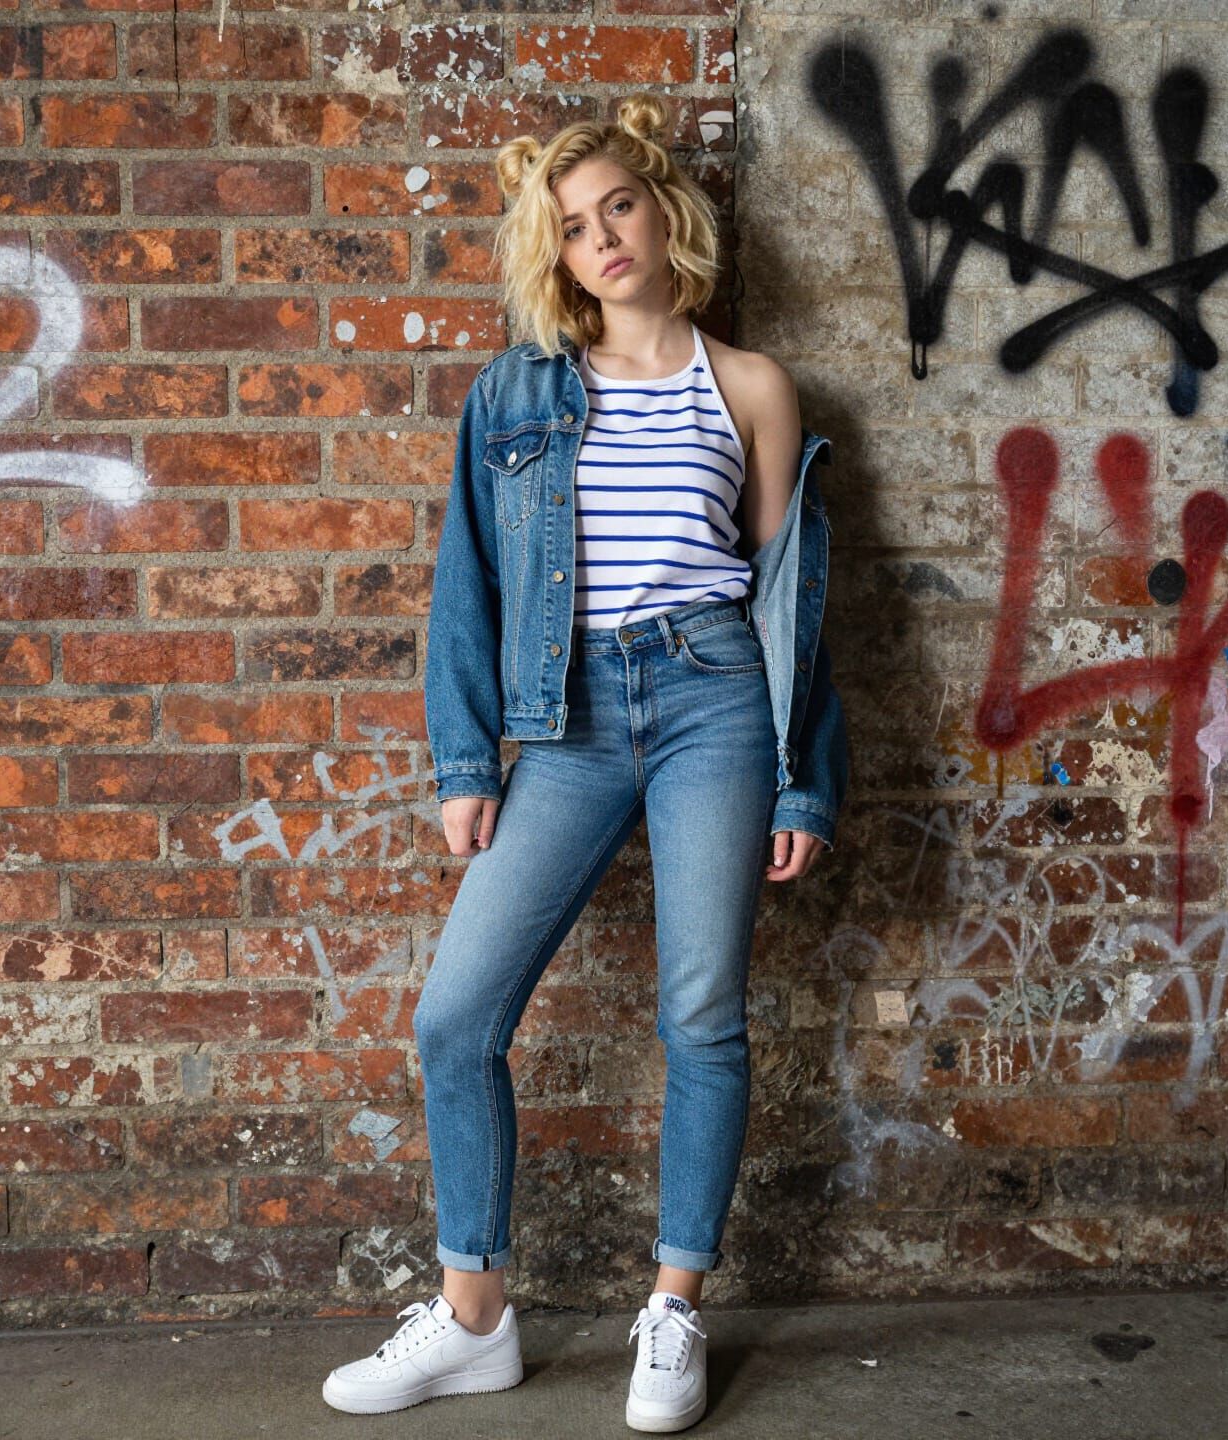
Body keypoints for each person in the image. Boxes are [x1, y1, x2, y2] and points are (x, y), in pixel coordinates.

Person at [323, 93, 847, 1431]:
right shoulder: (517, 392)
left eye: (619, 205)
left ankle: (672, 1311)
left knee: (702, 1015)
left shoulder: (752, 387)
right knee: (455, 1019)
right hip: (562, 723)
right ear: (551, 258)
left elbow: (789, 600)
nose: (603, 237)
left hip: (715, 701)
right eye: (572, 227)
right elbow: (469, 585)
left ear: (665, 213)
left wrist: (803, 775)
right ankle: (472, 1318)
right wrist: (465, 761)